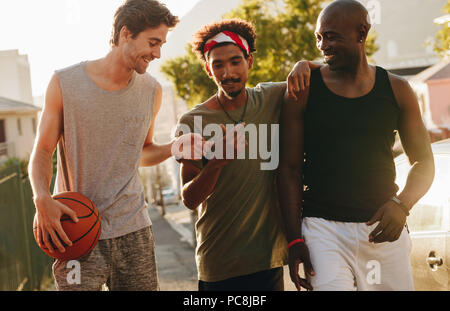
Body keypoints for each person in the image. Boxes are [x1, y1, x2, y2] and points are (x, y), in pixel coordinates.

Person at [28, 0, 203, 291]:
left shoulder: (152, 91)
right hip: (75, 230)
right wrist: (41, 198)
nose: (158, 53)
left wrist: (174, 147)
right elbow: (43, 150)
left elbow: (142, 153)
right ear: (125, 34)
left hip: (133, 229)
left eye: (161, 44)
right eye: (153, 42)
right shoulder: (64, 83)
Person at [279, 0, 435, 291]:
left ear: (361, 33)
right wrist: (295, 239)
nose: (323, 45)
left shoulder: (398, 89)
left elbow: (424, 162)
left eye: (332, 36)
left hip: (382, 231)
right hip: (323, 230)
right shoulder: (303, 90)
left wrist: (402, 204)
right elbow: (288, 169)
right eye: (319, 37)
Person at [176, 19, 316, 291]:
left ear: (249, 61)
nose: (227, 72)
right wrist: (216, 162)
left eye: (235, 61)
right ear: (208, 69)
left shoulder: (273, 97)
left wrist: (305, 64)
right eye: (218, 64)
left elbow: (330, 76)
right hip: (218, 264)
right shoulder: (193, 121)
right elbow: (189, 199)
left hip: (268, 261)